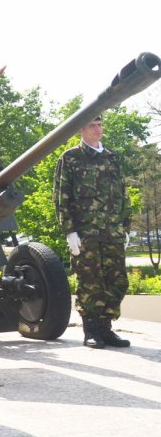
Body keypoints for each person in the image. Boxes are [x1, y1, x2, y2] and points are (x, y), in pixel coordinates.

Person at [53, 116, 132, 349]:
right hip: (86, 232)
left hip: (113, 231)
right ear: (81, 129)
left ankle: (106, 328)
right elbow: (61, 197)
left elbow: (123, 194)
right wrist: (69, 231)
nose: (98, 129)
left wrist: (125, 228)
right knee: (90, 282)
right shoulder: (70, 158)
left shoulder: (113, 157)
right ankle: (91, 330)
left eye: (100, 124)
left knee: (117, 281)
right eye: (92, 125)